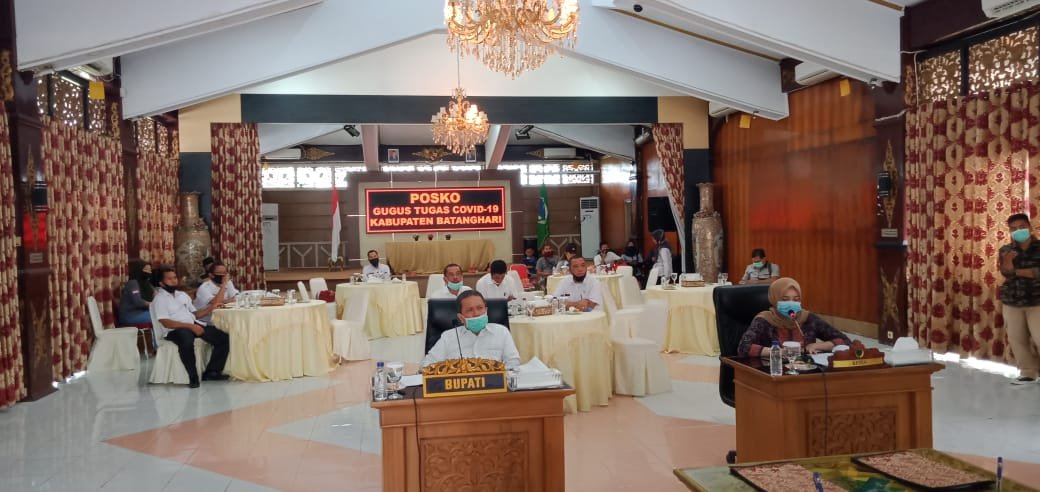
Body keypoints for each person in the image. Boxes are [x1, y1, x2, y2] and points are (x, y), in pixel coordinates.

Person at [151, 265, 231, 388]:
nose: (174, 281)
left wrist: (210, 308)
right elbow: (165, 322)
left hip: (193, 325)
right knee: (186, 340)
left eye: (174, 277)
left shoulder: (182, 295)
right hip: (174, 330)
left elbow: (195, 314)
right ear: (161, 283)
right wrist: (190, 326)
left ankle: (212, 372)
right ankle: (193, 377)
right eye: (169, 279)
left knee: (224, 338)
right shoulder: (160, 299)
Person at [737, 277, 851, 358]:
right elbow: (743, 348)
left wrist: (819, 345)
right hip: (773, 372)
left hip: (805, 372)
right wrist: (778, 352)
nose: (791, 303)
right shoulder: (765, 320)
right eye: (785, 300)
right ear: (774, 299)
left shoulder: (808, 318)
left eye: (796, 299)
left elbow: (845, 341)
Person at [421, 290, 521, 370]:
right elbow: (427, 365)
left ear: (486, 310)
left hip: (494, 386)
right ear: (461, 317)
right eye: (470, 310)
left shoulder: (501, 332)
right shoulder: (448, 337)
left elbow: (513, 364)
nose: (476, 313)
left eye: (480, 308)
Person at [999, 213, 1040, 385]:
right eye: (1014, 229)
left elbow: (1037, 273)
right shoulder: (1006, 250)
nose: (1018, 231)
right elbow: (1006, 273)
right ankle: (1028, 372)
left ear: (1029, 227)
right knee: (1017, 339)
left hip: (1036, 301)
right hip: (1012, 301)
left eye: (1022, 227)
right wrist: (1008, 263)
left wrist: (1015, 271)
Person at [118, 259, 154, 325]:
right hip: (130, 315)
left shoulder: (146, 284)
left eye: (150, 270)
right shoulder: (132, 283)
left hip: (142, 312)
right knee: (160, 318)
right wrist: (154, 305)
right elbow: (138, 302)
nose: (149, 272)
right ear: (138, 270)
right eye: (146, 270)